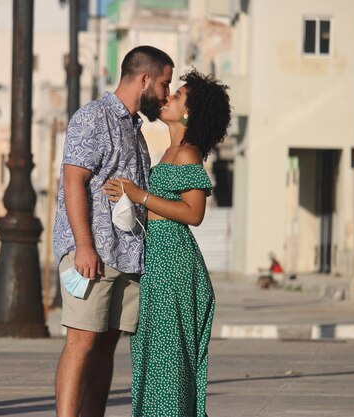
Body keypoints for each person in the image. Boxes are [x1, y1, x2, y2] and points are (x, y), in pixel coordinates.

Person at [52, 45, 174, 417]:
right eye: (165, 84)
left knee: (106, 346)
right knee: (82, 342)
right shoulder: (93, 117)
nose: (167, 94)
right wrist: (85, 247)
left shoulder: (135, 130)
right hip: (94, 255)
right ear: (145, 79)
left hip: (128, 256)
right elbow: (73, 182)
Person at [103, 69, 231, 416]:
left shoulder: (188, 153)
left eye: (177, 96)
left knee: (168, 354)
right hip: (156, 258)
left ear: (189, 112)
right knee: (151, 350)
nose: (169, 97)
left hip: (174, 260)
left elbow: (193, 213)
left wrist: (139, 195)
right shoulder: (169, 151)